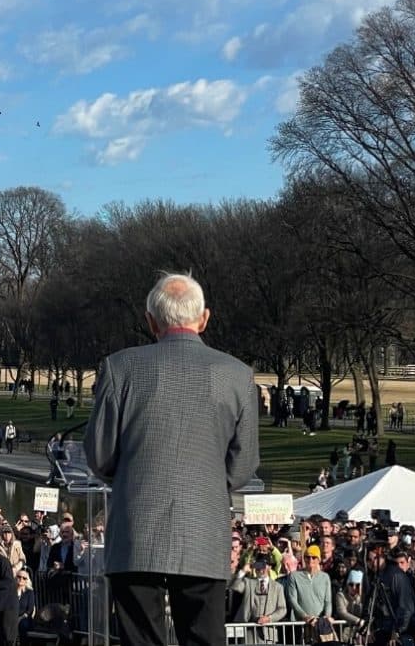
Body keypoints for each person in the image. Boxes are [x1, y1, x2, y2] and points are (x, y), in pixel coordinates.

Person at [83, 273, 260, 646]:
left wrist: (132, 477)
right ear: (204, 318)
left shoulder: (120, 368)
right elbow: (243, 466)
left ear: (150, 321)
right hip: (204, 529)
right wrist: (208, 484)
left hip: (136, 528)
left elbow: (99, 456)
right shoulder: (237, 375)